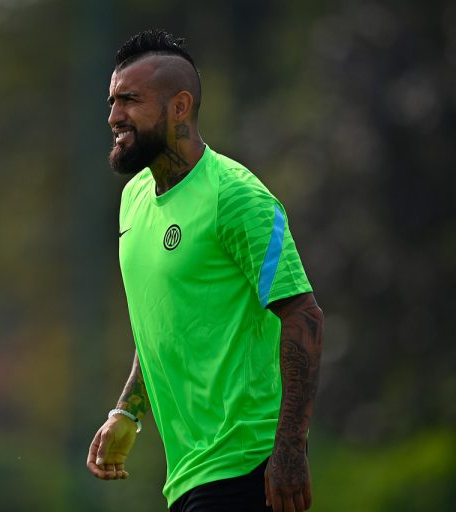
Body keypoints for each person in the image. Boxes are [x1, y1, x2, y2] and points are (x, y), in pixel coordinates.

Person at [86, 29, 324, 512]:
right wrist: (127, 411)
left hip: (246, 466)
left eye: (130, 100)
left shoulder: (236, 196)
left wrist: (290, 448)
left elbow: (304, 315)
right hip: (188, 474)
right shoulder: (133, 199)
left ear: (179, 106)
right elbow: (163, 323)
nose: (113, 116)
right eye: (112, 102)